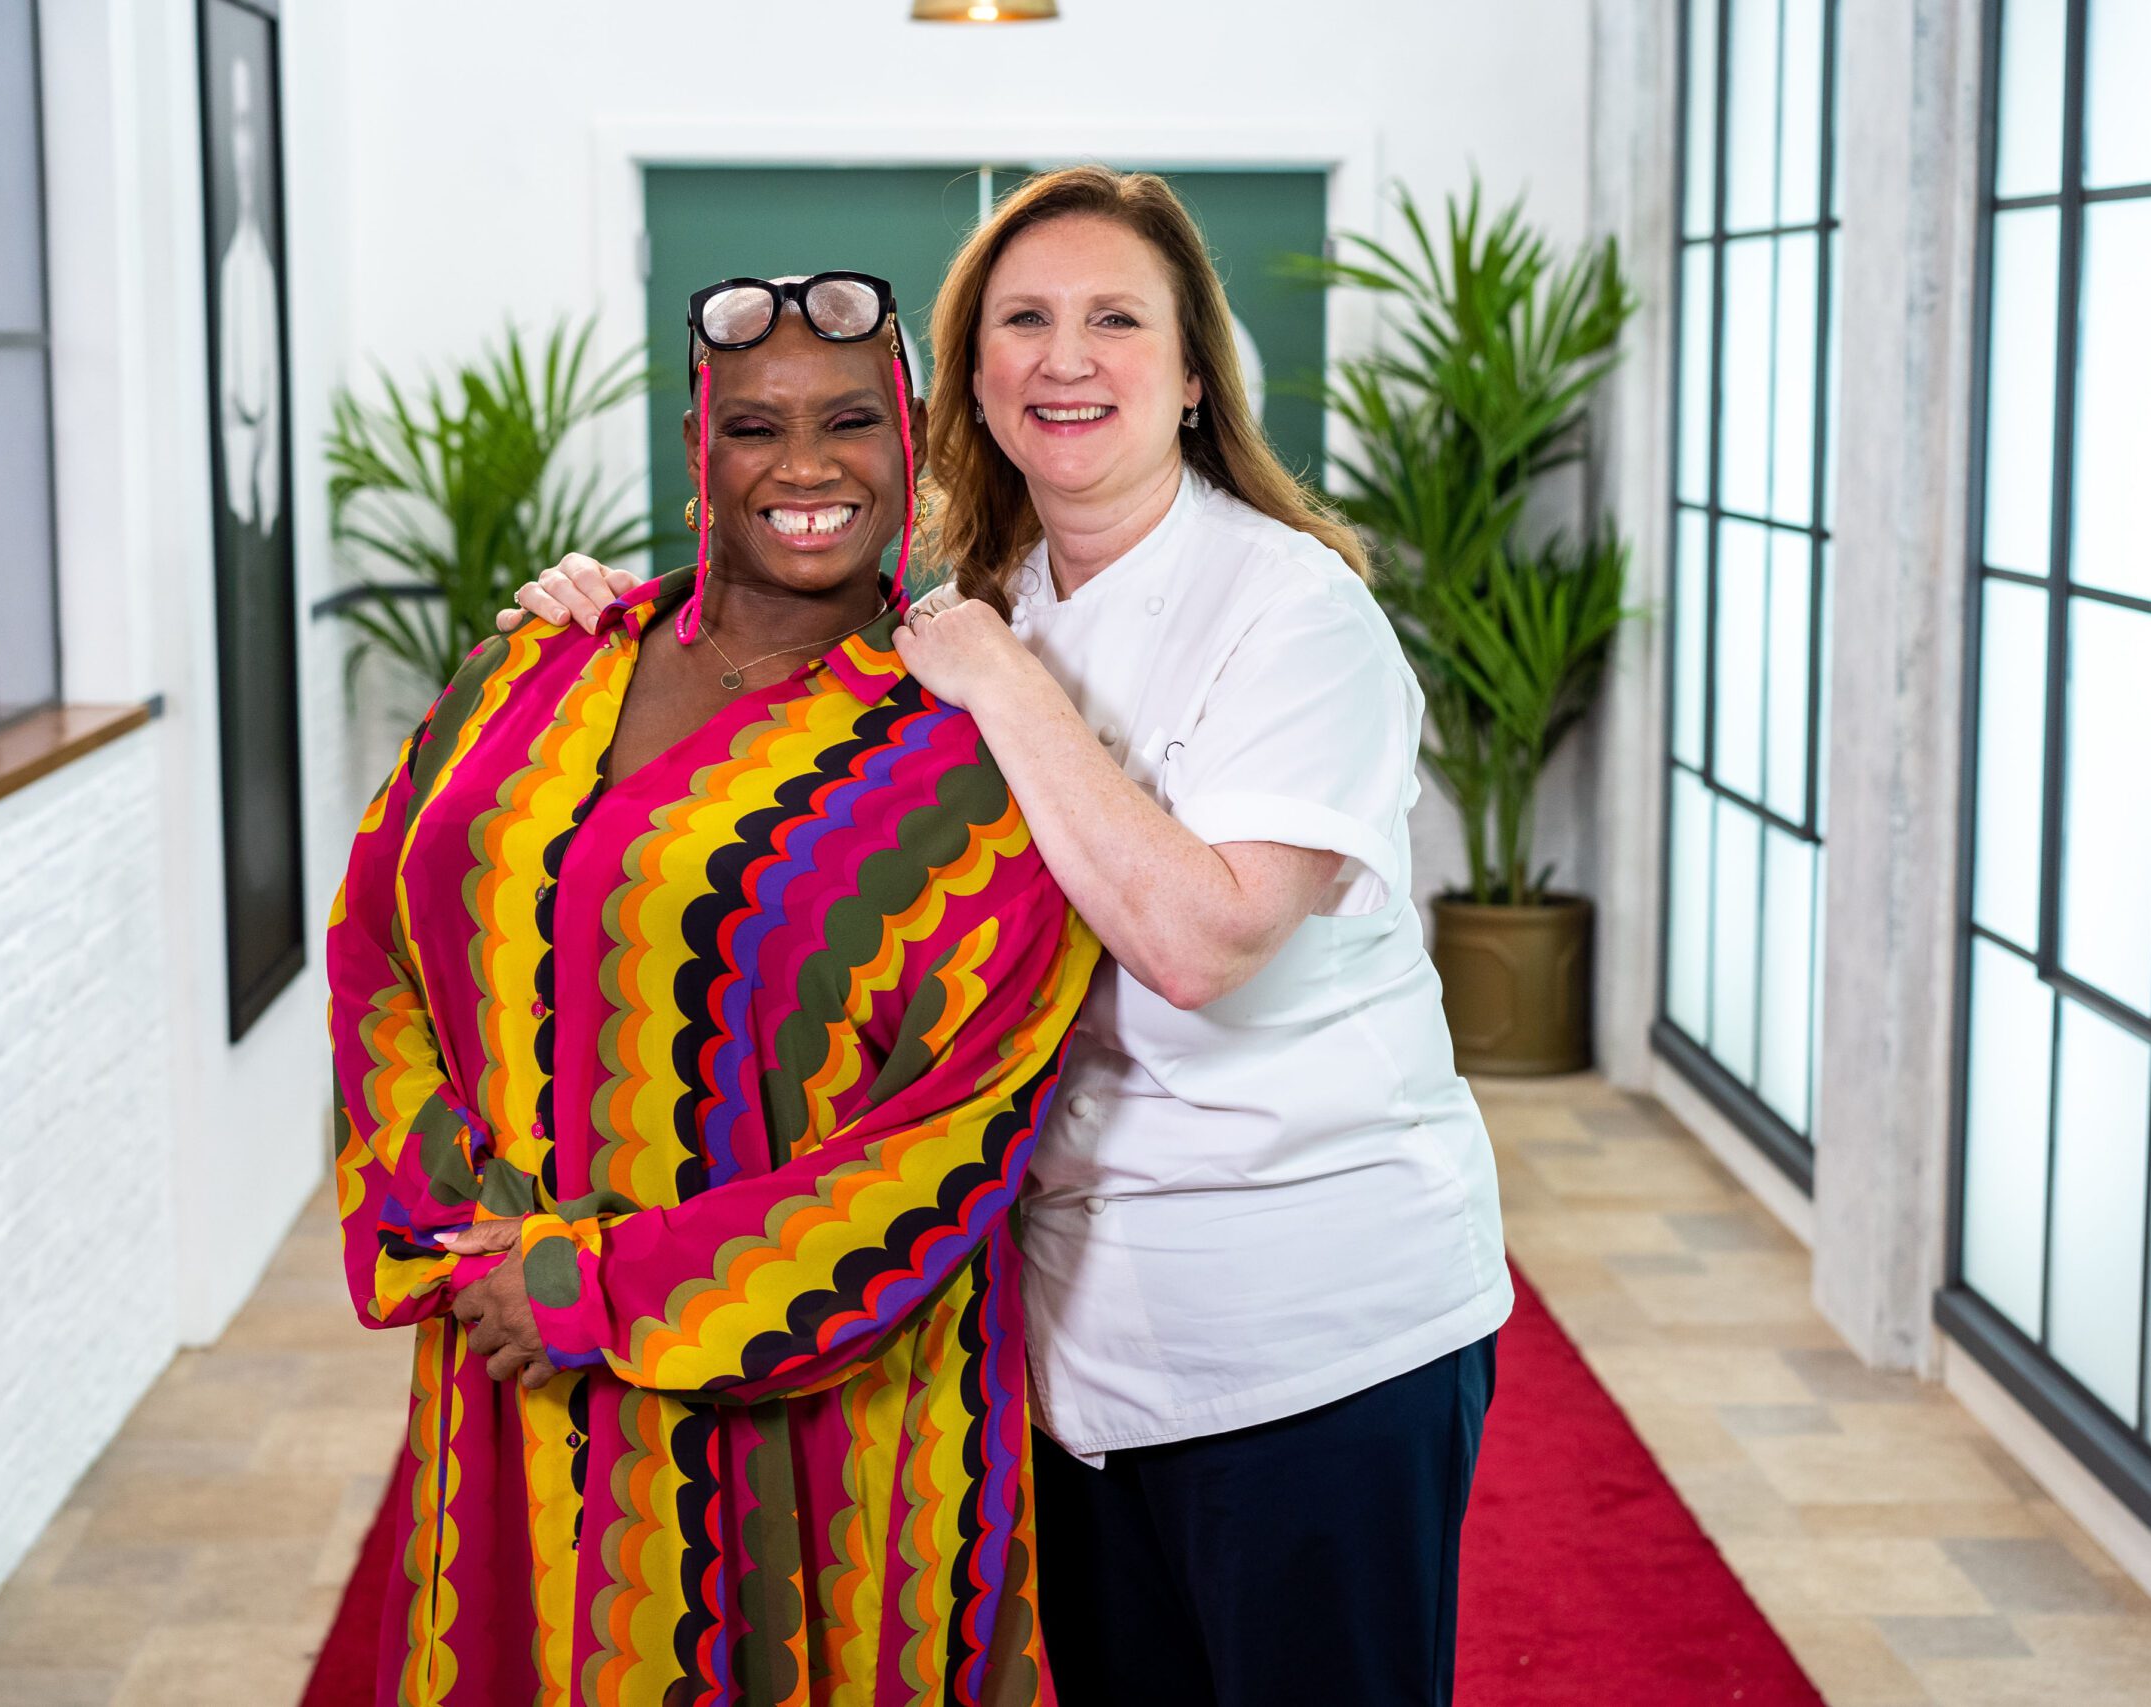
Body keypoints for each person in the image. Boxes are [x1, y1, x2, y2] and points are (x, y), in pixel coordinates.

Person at [513, 168, 1512, 1707]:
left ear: (1194, 376)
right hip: (1070, 1346)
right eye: (1024, 321)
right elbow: (742, 741)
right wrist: (595, 632)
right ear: (970, 384)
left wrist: (1003, 685)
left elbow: (1203, 941)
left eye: (1117, 320)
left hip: (1314, 1330)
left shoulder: (1291, 611)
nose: (1066, 357)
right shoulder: (983, 608)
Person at [334, 271, 1098, 1706]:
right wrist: (467, 1230)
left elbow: (961, 1127)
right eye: (755, 426)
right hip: (513, 1374)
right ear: (700, 449)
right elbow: (380, 939)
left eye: (850, 422)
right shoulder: (537, 670)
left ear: (913, 446)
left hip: (820, 1415)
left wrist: (603, 1284)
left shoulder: (968, 750)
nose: (806, 466)